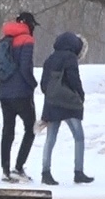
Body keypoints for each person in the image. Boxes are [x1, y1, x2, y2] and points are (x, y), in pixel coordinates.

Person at [39, 31, 94, 186]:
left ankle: (45, 172)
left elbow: (44, 84)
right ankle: (78, 172)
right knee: (79, 136)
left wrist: (51, 95)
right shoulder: (70, 58)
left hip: (51, 103)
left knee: (50, 139)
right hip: (69, 104)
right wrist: (80, 96)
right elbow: (74, 80)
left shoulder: (50, 58)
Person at [0, 12, 39, 182]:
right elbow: (25, 67)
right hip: (21, 93)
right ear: (29, 24)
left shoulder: (5, 38)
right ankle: (19, 168)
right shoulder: (26, 40)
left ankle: (5, 170)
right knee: (31, 128)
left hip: (4, 93)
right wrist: (33, 84)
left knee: (8, 131)